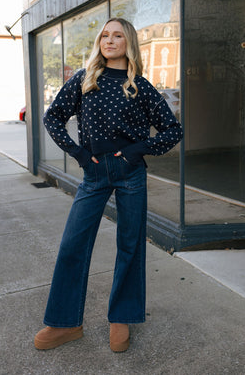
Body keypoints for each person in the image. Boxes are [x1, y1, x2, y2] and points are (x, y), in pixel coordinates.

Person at [34, 18, 183, 352]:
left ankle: (121, 319)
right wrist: (80, 155)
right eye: (105, 35)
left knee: (130, 247)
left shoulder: (141, 86)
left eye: (117, 35)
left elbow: (173, 130)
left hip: (131, 173)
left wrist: (137, 150)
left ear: (128, 42)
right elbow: (52, 117)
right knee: (73, 244)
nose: (109, 40)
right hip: (94, 172)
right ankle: (65, 324)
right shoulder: (85, 80)